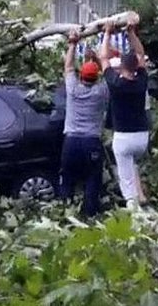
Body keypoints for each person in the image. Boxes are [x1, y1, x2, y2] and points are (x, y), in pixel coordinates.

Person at [100, 15, 150, 210]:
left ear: (121, 67)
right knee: (132, 164)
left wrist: (106, 33)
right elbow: (140, 52)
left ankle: (133, 208)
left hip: (123, 137)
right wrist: (131, 33)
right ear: (136, 67)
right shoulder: (142, 81)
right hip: (142, 137)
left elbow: (103, 58)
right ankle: (141, 197)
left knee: (125, 178)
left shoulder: (115, 83)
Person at [59, 30, 109, 217]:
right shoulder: (101, 92)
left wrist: (72, 43)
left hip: (71, 141)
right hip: (91, 142)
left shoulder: (72, 89)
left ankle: (65, 212)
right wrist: (95, 59)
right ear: (96, 77)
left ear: (81, 76)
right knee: (92, 179)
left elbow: (69, 67)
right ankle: (90, 215)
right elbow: (108, 74)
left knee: (68, 178)